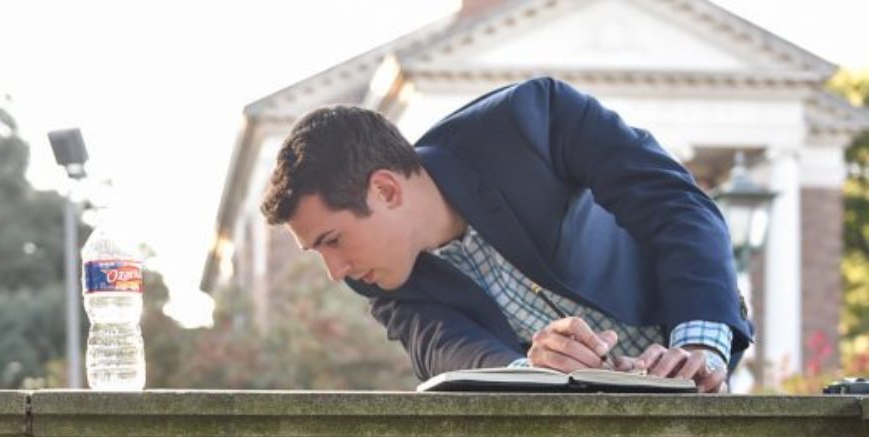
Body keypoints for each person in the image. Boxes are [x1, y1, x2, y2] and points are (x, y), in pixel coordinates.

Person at [260, 76, 754, 393]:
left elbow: (676, 205)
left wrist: (700, 348)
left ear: (386, 190)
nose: (335, 272)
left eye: (332, 240)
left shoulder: (531, 119)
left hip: (688, 357)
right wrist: (529, 371)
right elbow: (447, 353)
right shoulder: (380, 280)